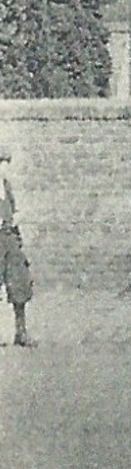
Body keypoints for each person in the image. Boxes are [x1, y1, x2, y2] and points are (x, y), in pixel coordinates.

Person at [0, 146, 36, 347]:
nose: (4, 168)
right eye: (1, 164)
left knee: (20, 283)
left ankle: (21, 332)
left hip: (10, 238)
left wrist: (17, 217)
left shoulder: (6, 187)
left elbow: (14, 209)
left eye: (6, 164)